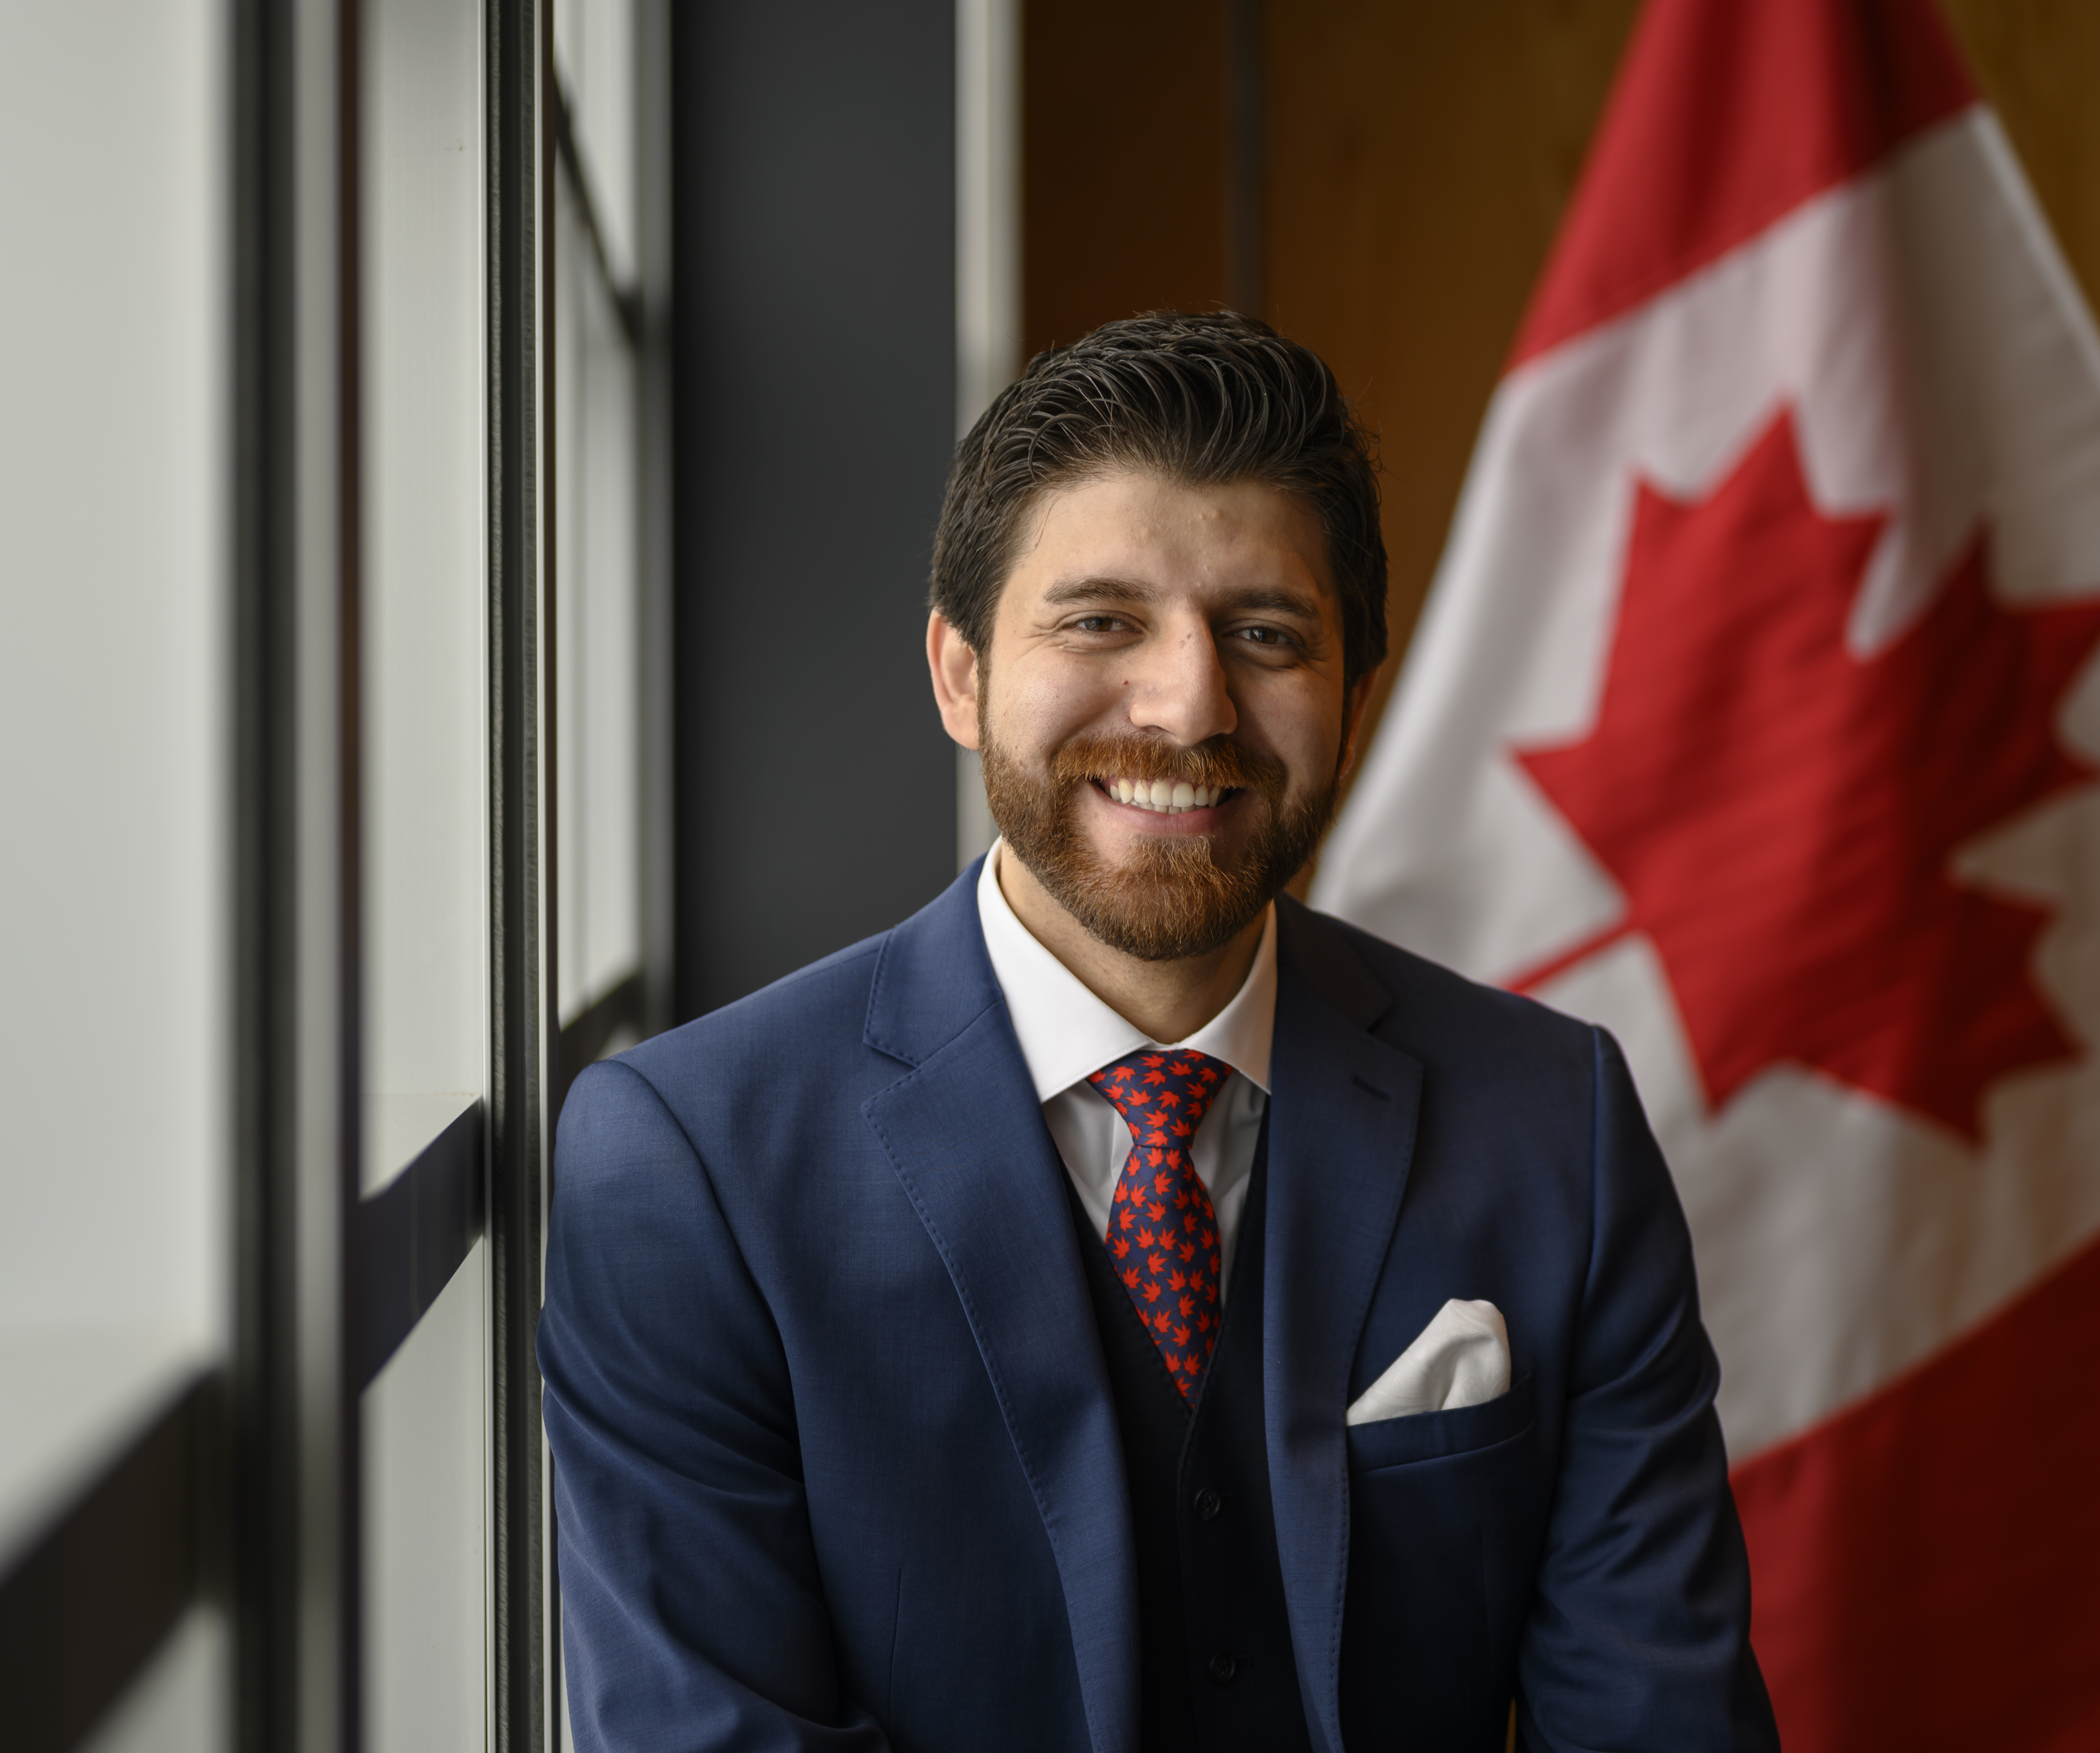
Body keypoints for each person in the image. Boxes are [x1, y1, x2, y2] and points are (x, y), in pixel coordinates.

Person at [541, 312, 1778, 1753]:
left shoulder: (1550, 1118)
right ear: (959, 674)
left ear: (1351, 699)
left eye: (1264, 634)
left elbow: (1657, 1721)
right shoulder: (685, 1165)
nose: (1189, 703)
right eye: (1099, 620)